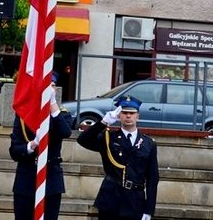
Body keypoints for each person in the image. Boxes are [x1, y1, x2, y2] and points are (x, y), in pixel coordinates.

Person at [77, 95, 159, 220]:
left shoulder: (148, 143)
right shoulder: (108, 138)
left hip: (135, 202)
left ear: (138, 116)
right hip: (111, 200)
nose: (128, 116)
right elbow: (83, 140)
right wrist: (103, 122)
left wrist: (149, 209)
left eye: (132, 113)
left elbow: (153, 178)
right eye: (124, 112)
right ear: (119, 115)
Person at [9, 72, 74, 220]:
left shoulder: (61, 115)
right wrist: (32, 145)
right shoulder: (24, 116)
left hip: (51, 179)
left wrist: (52, 104)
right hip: (27, 179)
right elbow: (14, 151)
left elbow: (66, 132)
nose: (48, 91)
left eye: (52, 86)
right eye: (45, 87)